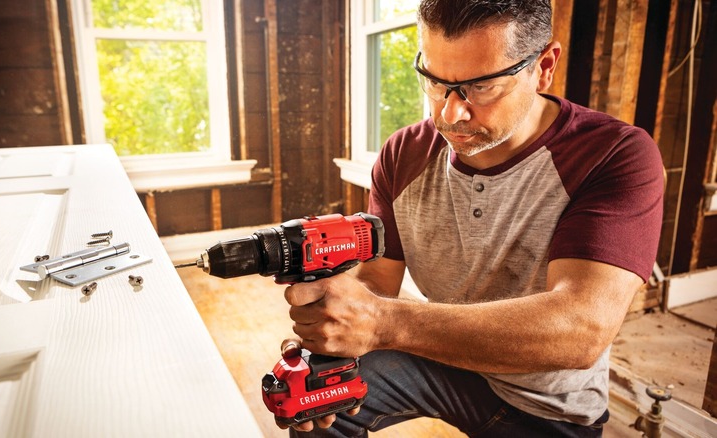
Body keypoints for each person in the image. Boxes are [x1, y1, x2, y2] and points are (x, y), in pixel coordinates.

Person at [280, 0, 664, 436]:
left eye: (481, 87)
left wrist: (383, 322)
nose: (450, 113)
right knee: (315, 399)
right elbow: (376, 285)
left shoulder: (615, 155)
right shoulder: (403, 154)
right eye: (435, 81)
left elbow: (582, 330)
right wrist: (337, 332)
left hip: (548, 407)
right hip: (441, 359)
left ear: (543, 66)